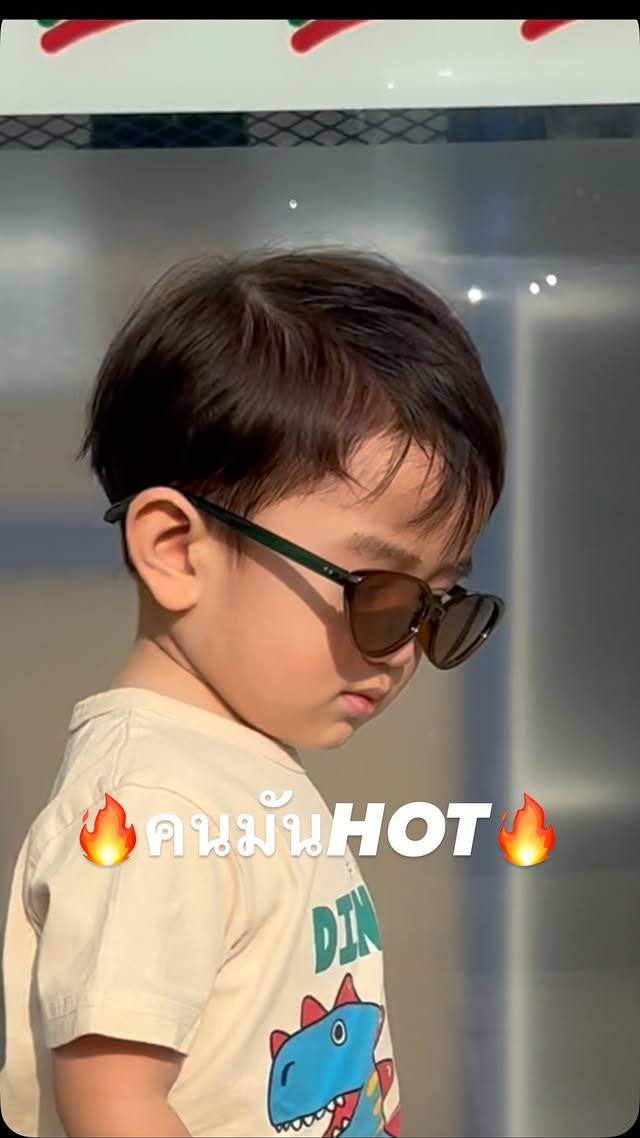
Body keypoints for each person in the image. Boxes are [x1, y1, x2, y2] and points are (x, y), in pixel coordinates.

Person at [0, 247, 505, 1138]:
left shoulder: (221, 770)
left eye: (438, 606)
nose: (404, 650)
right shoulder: (152, 805)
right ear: (176, 549)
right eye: (380, 594)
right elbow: (114, 1104)